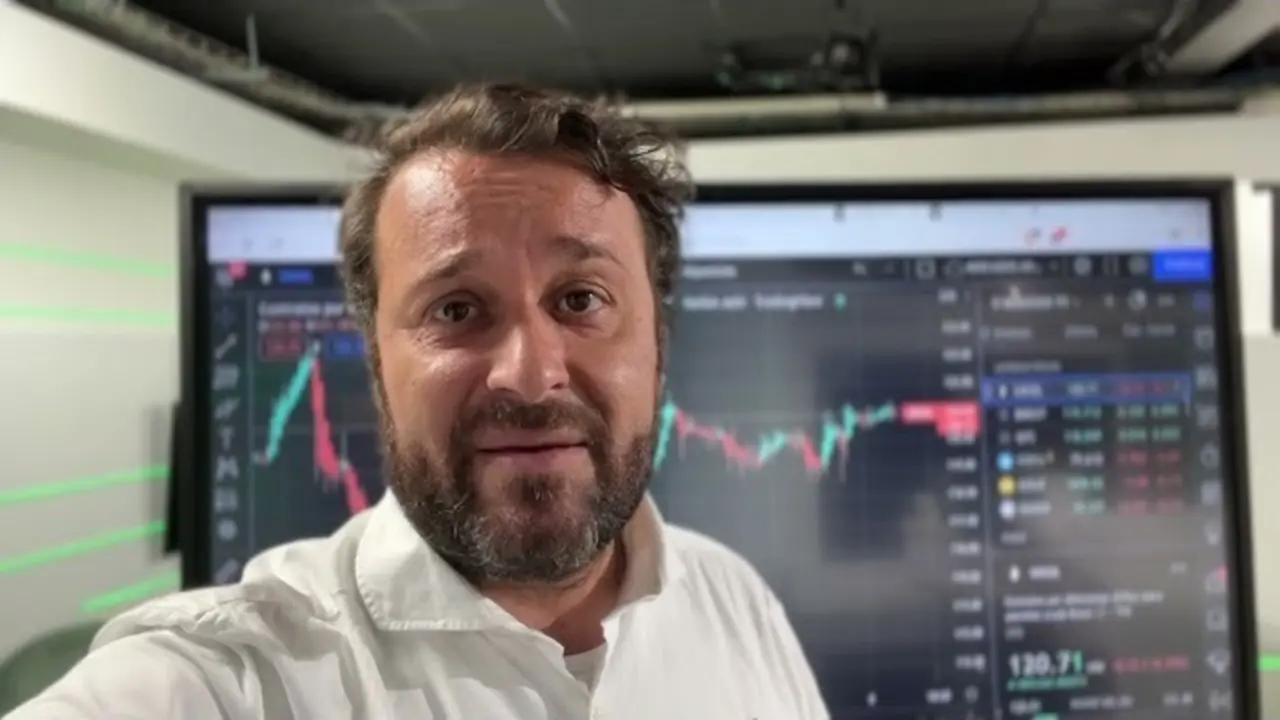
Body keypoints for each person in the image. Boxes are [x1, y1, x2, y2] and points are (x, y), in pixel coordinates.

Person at [7, 83, 828, 720]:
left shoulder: (733, 600)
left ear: (658, 348)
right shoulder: (235, 677)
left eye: (581, 299)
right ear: (377, 364)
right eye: (456, 309)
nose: (529, 374)